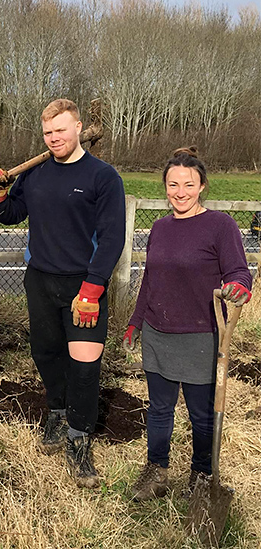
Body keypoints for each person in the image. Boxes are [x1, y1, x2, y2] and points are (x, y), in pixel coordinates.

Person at [0, 99, 126, 488]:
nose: (54, 138)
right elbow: (14, 214)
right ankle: (57, 412)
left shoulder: (103, 177)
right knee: (45, 352)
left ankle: (79, 438)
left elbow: (113, 236)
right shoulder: (37, 173)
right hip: (40, 281)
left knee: (84, 363)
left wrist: (93, 288)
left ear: (78, 128)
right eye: (48, 132)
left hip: (84, 284)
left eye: (61, 130)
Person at [123, 147, 252, 501]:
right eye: (173, 184)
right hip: (157, 332)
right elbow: (149, 280)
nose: (180, 192)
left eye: (188, 185)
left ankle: (201, 474)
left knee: (201, 415)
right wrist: (135, 323)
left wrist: (239, 287)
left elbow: (239, 271)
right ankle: (156, 472)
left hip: (201, 335)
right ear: (164, 185)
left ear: (202, 186)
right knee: (159, 409)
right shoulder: (161, 228)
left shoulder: (220, 226)